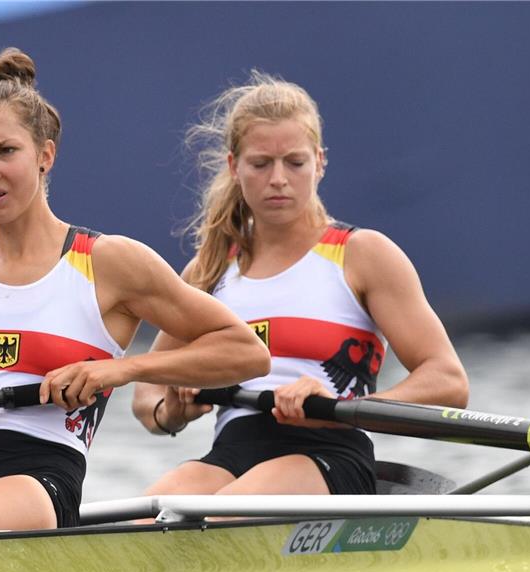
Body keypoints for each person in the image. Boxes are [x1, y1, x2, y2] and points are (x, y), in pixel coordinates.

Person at [0, 48, 270, 536]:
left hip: (42, 475)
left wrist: (121, 369)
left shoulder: (109, 262)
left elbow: (246, 352)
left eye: (5, 151)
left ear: (45, 155)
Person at [133, 71, 469, 498]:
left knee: (217, 516)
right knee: (140, 521)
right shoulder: (210, 268)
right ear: (235, 167)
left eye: (295, 163)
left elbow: (449, 382)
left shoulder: (362, 254)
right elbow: (146, 393)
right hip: (232, 452)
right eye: (260, 164)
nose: (278, 179)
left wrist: (340, 408)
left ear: (320, 163)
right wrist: (172, 412)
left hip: (329, 450)